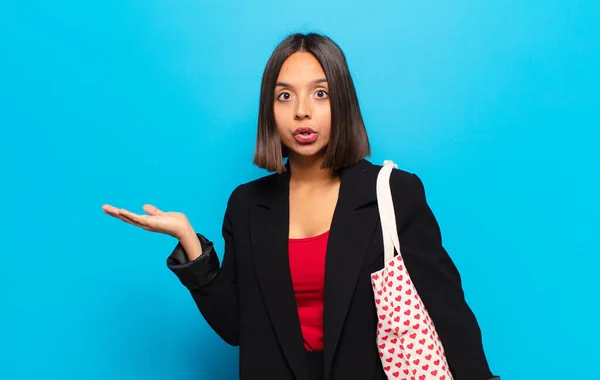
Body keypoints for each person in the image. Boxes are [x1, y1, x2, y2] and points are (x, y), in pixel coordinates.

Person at [102, 33, 499, 380]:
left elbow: (448, 315)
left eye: (320, 93)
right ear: (269, 111)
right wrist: (188, 239)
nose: (301, 111)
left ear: (342, 102)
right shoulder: (247, 205)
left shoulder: (393, 193)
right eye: (285, 95)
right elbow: (236, 326)